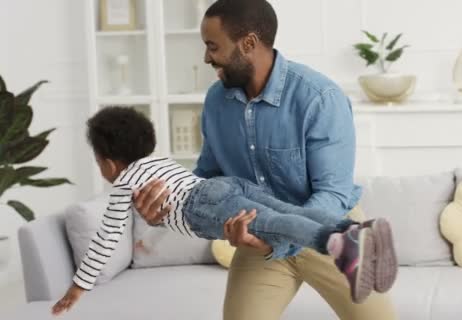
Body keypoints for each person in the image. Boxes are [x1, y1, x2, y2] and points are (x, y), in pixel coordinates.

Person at [133, 0, 398, 319]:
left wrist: (282, 238)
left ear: (248, 44)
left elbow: (334, 194)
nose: (206, 57)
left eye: (213, 46)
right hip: (257, 237)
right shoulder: (216, 101)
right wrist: (167, 208)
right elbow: (208, 179)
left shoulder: (319, 97)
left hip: (330, 234)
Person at [50, 107, 397, 316]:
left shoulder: (123, 182)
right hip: (225, 185)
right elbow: (162, 208)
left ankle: (337, 242)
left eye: (98, 163)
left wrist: (78, 286)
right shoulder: (157, 161)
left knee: (276, 224)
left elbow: (108, 236)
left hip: (203, 207)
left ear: (109, 163)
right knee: (288, 211)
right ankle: (355, 228)